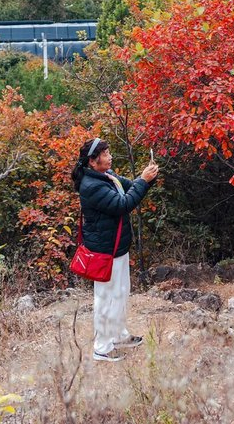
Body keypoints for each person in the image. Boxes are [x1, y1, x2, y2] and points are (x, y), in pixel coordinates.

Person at [71, 137, 159, 362]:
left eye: (109, 152)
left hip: (116, 247)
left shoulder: (106, 177)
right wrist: (143, 181)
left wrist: (145, 179)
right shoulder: (92, 186)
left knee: (120, 293)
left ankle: (119, 335)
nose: (110, 156)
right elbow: (123, 205)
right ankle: (101, 347)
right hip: (104, 251)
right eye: (106, 154)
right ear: (92, 161)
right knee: (105, 298)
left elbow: (131, 188)